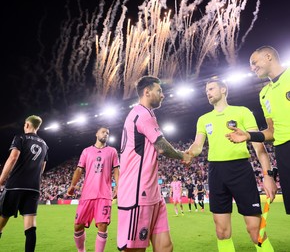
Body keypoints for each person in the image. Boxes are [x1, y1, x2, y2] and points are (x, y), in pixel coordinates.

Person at [186, 79, 277, 252]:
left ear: (223, 89)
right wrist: (188, 153)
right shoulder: (204, 119)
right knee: (221, 231)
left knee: (255, 229)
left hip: (240, 170)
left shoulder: (242, 112)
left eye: (211, 88)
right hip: (216, 172)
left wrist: (267, 175)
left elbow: (259, 147)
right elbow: (197, 146)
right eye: (206, 90)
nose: (208, 92)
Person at [117, 75, 191, 252]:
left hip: (152, 193)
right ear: (147, 92)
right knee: (135, 249)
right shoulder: (141, 113)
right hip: (137, 192)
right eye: (159, 90)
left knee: (165, 247)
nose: (163, 95)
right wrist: (183, 155)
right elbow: (162, 146)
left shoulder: (145, 114)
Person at [226, 46, 290, 215]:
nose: (252, 68)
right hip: (283, 151)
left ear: (268, 56)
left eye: (254, 62)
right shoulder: (264, 94)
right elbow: (272, 132)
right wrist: (248, 135)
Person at [0, 115, 48, 252]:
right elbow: (43, 166)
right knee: (30, 227)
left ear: (27, 125)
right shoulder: (45, 145)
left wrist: (1, 180)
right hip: (33, 188)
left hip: (15, 185)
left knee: (2, 220)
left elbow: (13, 157)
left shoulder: (20, 138)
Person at [67, 126, 119, 252]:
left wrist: (118, 186)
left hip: (104, 195)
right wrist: (73, 185)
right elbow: (79, 169)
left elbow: (116, 169)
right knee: (78, 226)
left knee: (102, 225)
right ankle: (81, 250)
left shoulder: (112, 151)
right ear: (96, 134)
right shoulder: (86, 151)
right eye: (103, 132)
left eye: (107, 133)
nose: (105, 134)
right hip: (87, 194)